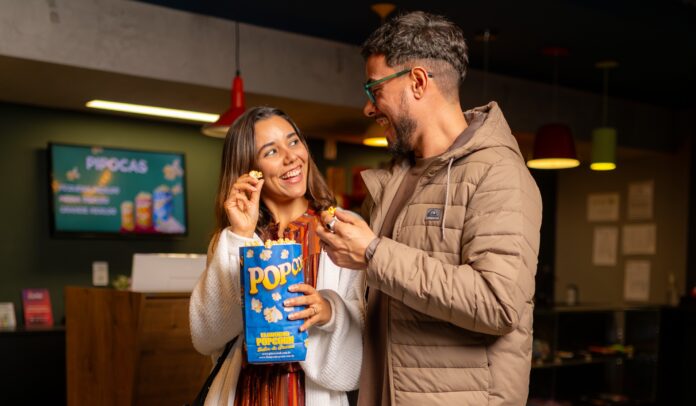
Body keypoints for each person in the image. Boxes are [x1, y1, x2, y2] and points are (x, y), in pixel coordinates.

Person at [317, 11, 542, 406]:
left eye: (375, 89)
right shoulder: (395, 178)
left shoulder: (498, 173)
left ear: (418, 82)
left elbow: (498, 304)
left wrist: (373, 253)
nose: (368, 108)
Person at [190, 106, 365, 406]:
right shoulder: (231, 239)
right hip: (241, 395)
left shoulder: (343, 229)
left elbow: (367, 329)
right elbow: (207, 335)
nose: (291, 157)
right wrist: (240, 235)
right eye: (271, 151)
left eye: (293, 141)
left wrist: (329, 312)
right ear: (250, 169)